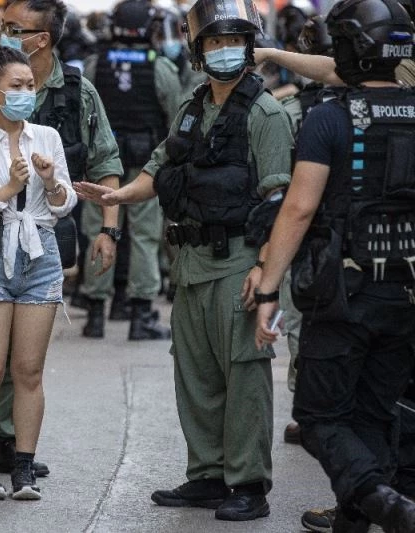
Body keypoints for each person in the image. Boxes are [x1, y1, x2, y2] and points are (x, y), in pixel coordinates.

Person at [75, 0, 293, 521]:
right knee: (196, 375)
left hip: (240, 261)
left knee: (244, 376)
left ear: (249, 46)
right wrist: (117, 197)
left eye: (234, 40)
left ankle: (248, 483)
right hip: (191, 263)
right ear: (199, 49)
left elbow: (278, 201)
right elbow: (159, 168)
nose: (225, 50)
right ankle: (209, 475)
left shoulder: (266, 114)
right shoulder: (193, 107)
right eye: (215, 41)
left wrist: (265, 270)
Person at [0, 0, 122, 479]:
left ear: (42, 39)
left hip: (42, 237)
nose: (4, 34)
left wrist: (109, 229)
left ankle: (10, 442)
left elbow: (105, 161)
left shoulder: (76, 92)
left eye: (15, 28)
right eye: (3, 26)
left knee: (25, 360)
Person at [254, 0, 415, 529]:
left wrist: (268, 289)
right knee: (374, 415)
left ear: (347, 47)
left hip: (345, 292)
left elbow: (298, 209)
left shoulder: (328, 116)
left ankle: (382, 502)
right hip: (404, 294)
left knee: (319, 416)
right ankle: (357, 518)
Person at [0, 44, 77, 500]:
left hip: (40, 254)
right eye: (16, 86)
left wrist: (50, 181)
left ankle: (24, 466)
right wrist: (8, 188)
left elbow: (65, 204)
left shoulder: (47, 137)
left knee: (29, 370)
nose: (26, 92)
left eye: (30, 85)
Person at [79, 0, 181, 340]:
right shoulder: (160, 67)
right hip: (143, 166)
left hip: (101, 164)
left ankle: (95, 313)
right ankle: (140, 315)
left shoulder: (96, 63)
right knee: (144, 237)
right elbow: (175, 118)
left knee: (99, 230)